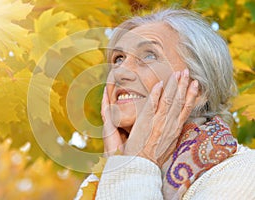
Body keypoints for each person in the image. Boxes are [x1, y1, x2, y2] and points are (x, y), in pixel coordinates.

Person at [75, 8, 255, 200]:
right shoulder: (94, 184)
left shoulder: (244, 172)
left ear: (198, 89)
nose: (120, 72)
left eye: (149, 55)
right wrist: (123, 163)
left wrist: (136, 162)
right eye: (118, 59)